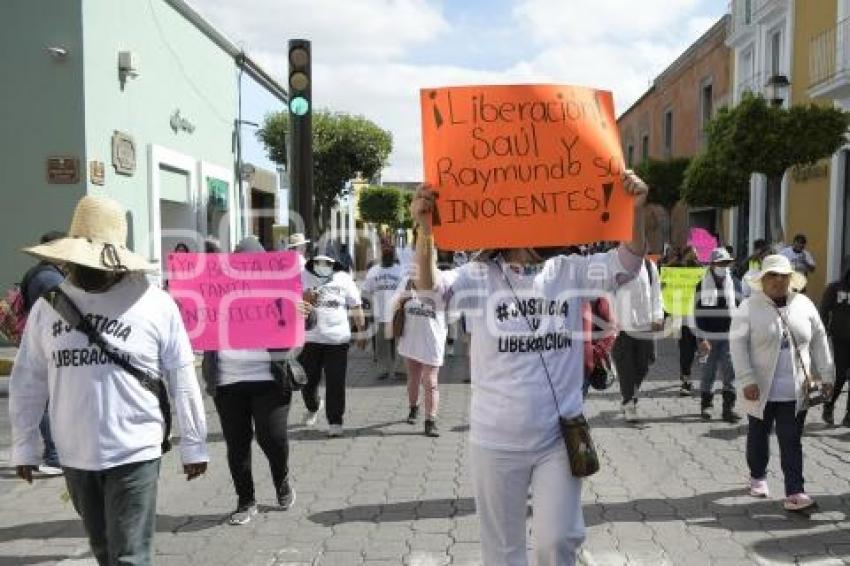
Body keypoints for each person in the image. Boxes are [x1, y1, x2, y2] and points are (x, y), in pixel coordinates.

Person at [409, 171, 649, 566]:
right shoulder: (479, 276)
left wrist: (635, 212)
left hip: (559, 438)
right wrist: (425, 230)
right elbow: (431, 293)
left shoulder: (569, 270)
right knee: (503, 552)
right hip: (495, 441)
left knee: (558, 542)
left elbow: (627, 263)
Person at [9, 195, 208, 566]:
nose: (83, 272)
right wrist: (25, 445)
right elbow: (28, 379)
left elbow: (181, 374)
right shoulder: (48, 307)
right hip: (74, 452)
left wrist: (195, 444)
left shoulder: (155, 304)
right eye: (78, 262)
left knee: (130, 556)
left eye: (94, 263)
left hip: (135, 449)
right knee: (103, 550)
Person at [201, 236, 300, 525]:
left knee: (273, 437)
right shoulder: (216, 294)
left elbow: (307, 324)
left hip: (269, 380)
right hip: (228, 383)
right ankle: (246, 501)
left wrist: (304, 314)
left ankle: (281, 480)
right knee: (237, 445)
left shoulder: (277, 292)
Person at [731, 254, 834, 511]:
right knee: (758, 435)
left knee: (791, 440)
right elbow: (738, 344)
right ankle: (757, 475)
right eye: (772, 276)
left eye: (783, 276)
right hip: (760, 389)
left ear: (791, 279)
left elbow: (820, 340)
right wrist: (746, 379)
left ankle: (795, 491)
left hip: (795, 390)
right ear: (763, 280)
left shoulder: (804, 304)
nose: (778, 280)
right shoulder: (749, 307)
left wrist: (828, 374)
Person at [299, 247, 366, 437]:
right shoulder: (302, 276)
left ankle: (335, 421)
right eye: (319, 262)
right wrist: (305, 298)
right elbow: (289, 303)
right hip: (310, 339)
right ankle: (313, 406)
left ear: (333, 263)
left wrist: (361, 332)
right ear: (313, 262)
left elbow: (356, 305)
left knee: (335, 382)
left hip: (337, 340)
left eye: (327, 263)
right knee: (308, 381)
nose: (323, 266)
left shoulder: (343, 278)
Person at [19, 230, 66, 475]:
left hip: (42, 342)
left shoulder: (38, 273)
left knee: (46, 400)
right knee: (47, 402)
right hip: (48, 345)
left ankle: (53, 453)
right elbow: (66, 313)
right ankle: (54, 455)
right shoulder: (49, 278)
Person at [394, 273, 449, 437]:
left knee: (430, 381)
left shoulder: (443, 281)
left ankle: (430, 421)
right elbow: (395, 304)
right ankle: (413, 408)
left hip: (432, 340)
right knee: (414, 378)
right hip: (411, 338)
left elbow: (453, 313)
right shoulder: (407, 281)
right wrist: (403, 300)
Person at [695, 247, 743, 422]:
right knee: (708, 372)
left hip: (730, 335)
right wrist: (702, 339)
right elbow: (698, 313)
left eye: (726, 263)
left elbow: (742, 309)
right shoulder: (702, 284)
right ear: (712, 264)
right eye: (720, 263)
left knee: (730, 371)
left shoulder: (736, 283)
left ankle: (728, 409)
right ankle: (706, 405)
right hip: (708, 336)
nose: (723, 266)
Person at [612, 258, 663, 422]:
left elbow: (656, 293)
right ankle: (629, 402)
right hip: (621, 327)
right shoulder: (613, 263)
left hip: (645, 324)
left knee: (647, 361)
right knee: (625, 365)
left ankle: (629, 393)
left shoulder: (649, 266)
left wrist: (657, 316)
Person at [361, 243, 404, 380]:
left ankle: (399, 370)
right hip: (379, 314)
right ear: (381, 255)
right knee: (382, 346)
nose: (387, 255)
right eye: (385, 253)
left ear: (393, 255)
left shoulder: (401, 270)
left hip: (397, 314)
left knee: (399, 343)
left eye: (389, 253)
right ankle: (385, 370)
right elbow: (365, 292)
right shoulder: (373, 271)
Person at [819, 264, 850, 427]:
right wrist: (822, 331)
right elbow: (824, 310)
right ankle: (828, 406)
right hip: (840, 338)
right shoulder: (835, 288)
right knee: (841, 376)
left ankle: (849, 415)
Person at [672, 246, 701, 395]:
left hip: (700, 319)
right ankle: (686, 380)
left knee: (696, 350)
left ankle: (686, 375)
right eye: (692, 255)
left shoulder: (701, 271)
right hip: (684, 318)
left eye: (695, 256)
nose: (694, 258)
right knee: (686, 351)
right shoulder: (676, 270)